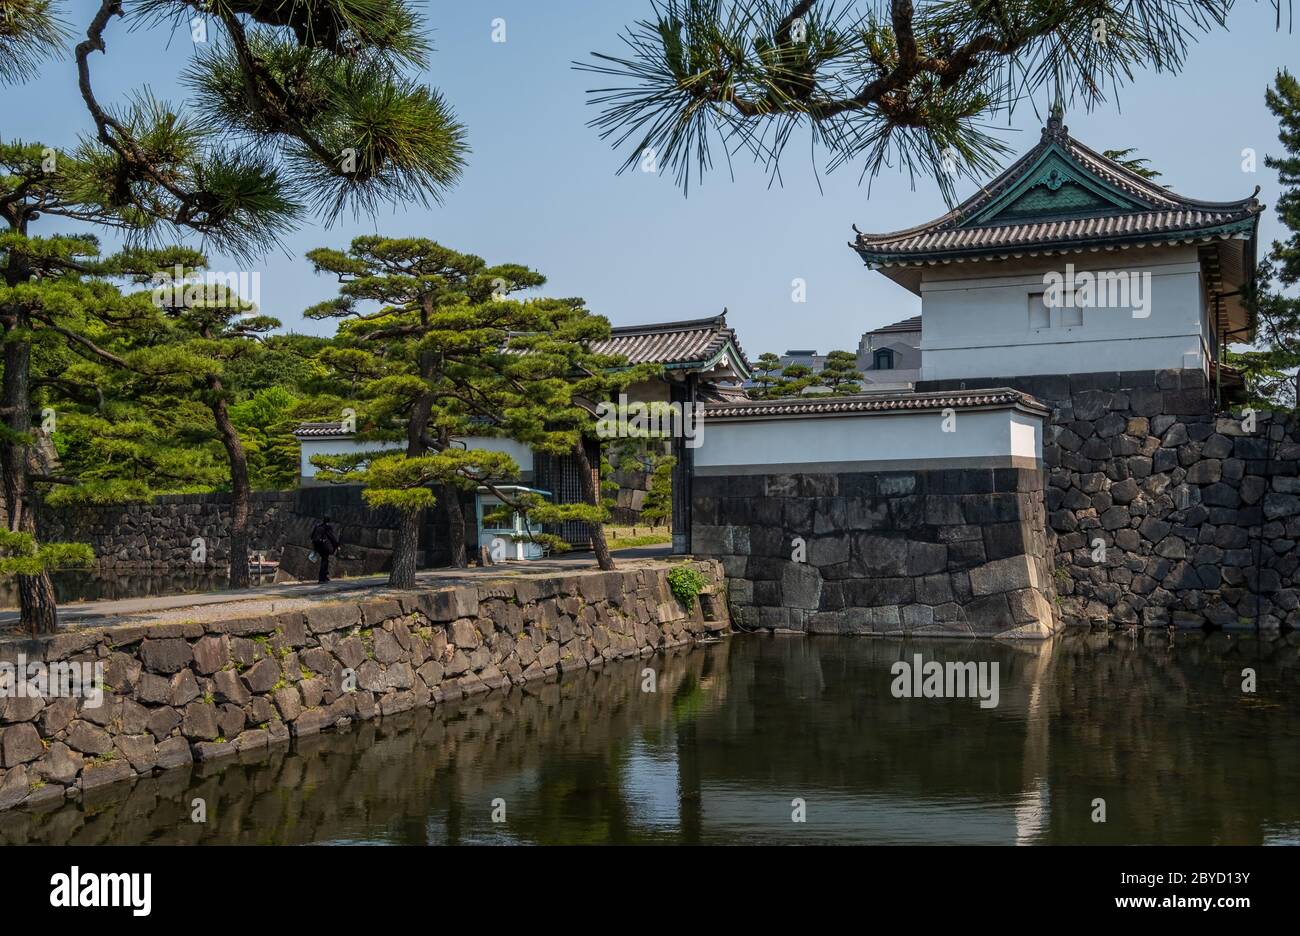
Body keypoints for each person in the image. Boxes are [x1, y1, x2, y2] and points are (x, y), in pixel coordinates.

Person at [310, 516, 341, 584]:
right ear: (329, 521)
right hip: (324, 547)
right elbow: (332, 537)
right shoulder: (327, 527)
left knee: (325, 560)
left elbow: (312, 536)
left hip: (318, 547)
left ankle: (325, 576)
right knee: (324, 561)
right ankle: (322, 578)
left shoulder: (317, 526)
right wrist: (337, 545)